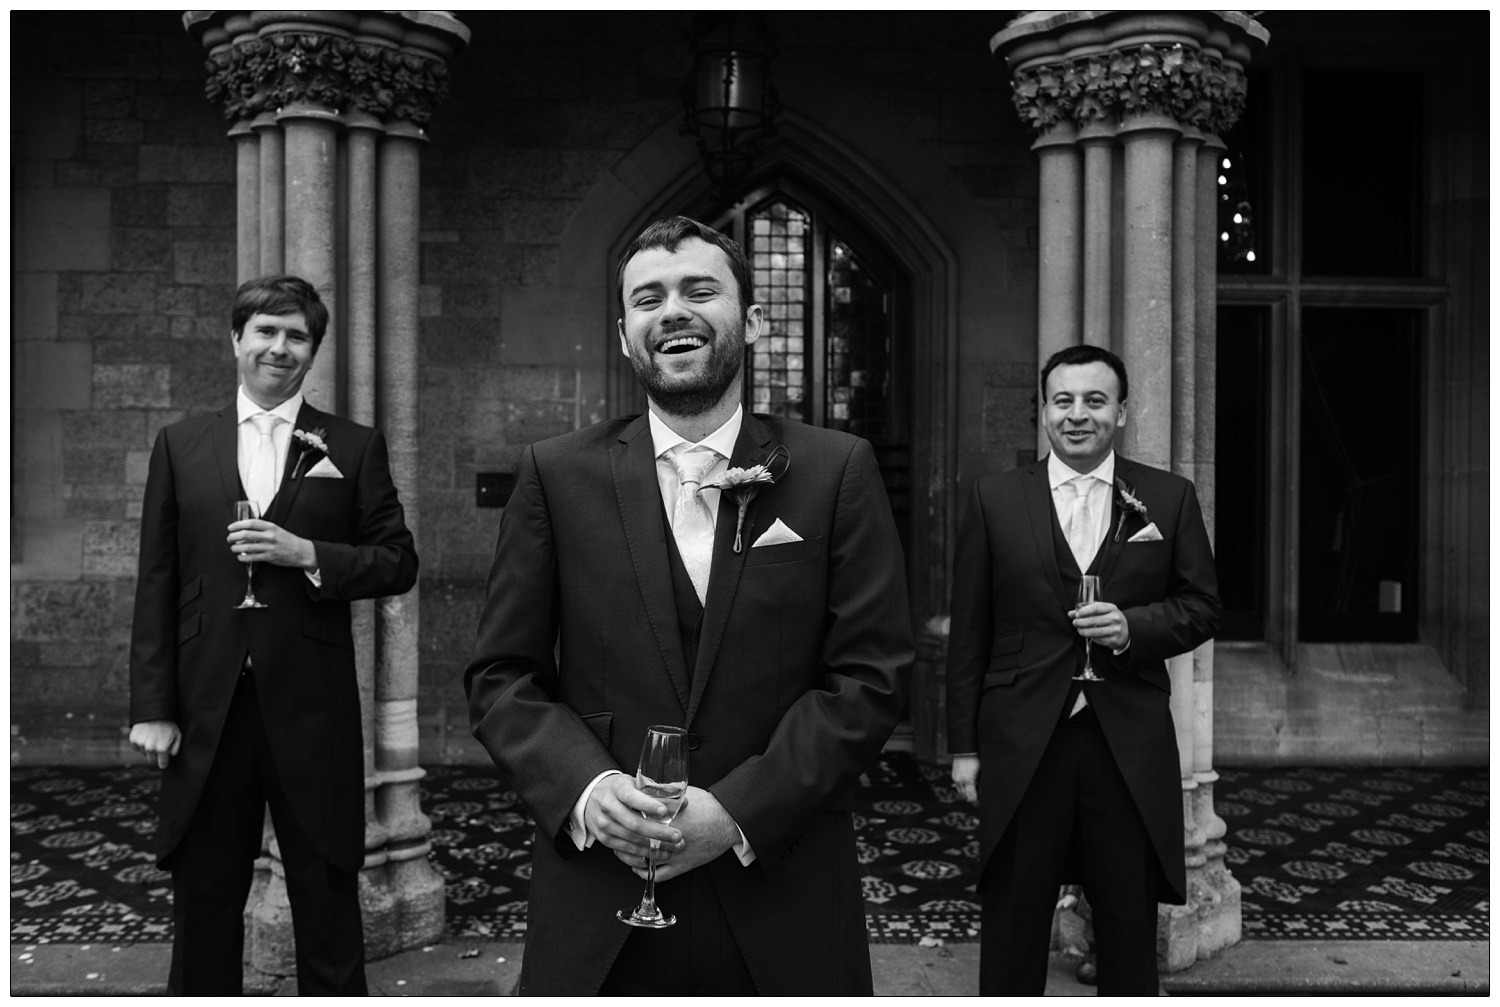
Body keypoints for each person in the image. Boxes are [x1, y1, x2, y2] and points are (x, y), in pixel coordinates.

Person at [465, 216, 913, 995]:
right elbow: (503, 675)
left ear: (754, 319)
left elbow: (870, 678)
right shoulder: (556, 474)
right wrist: (588, 789)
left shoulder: (836, 469)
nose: (672, 310)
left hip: (782, 886)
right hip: (603, 893)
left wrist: (737, 812)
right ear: (626, 331)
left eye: (700, 290)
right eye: (648, 298)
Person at [127, 274, 418, 995]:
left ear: (313, 350)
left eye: (296, 336)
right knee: (205, 897)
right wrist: (152, 706)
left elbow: (397, 560)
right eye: (266, 331)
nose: (279, 347)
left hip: (311, 704)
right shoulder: (181, 444)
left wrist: (309, 553)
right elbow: (157, 579)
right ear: (237, 338)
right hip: (204, 710)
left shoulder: (351, 444)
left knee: (325, 890)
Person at [945, 344, 1220, 995]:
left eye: (1094, 400)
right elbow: (970, 632)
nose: (1076, 414)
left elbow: (1203, 606)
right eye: (1062, 400)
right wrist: (963, 747)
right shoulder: (994, 499)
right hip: (1021, 741)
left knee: (1128, 920)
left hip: (1126, 740)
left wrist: (1136, 627)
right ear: (1043, 410)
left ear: (1121, 411)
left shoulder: (1167, 497)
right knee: (1014, 918)